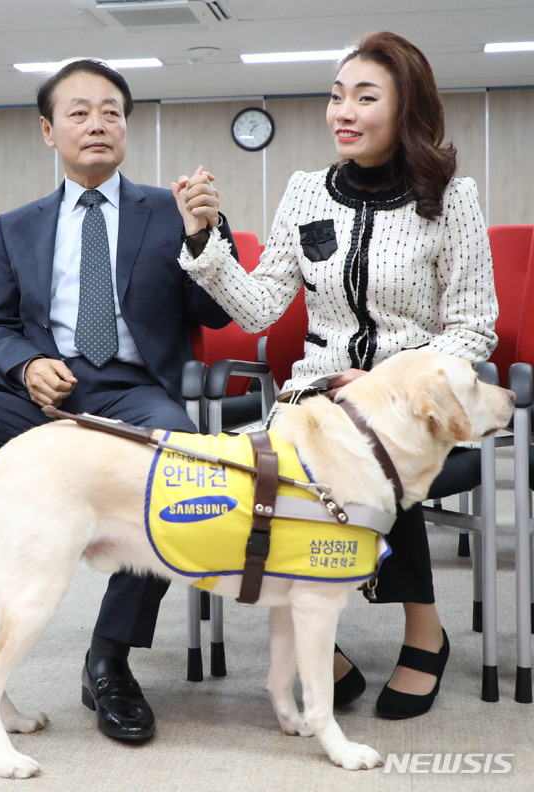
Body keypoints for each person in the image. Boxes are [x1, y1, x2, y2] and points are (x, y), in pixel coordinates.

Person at [0, 58, 233, 742]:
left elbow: (218, 313)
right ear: (49, 131)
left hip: (136, 393)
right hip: (45, 396)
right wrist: (28, 367)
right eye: (78, 112)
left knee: (180, 466)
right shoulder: (17, 225)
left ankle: (108, 656)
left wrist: (204, 236)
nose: (97, 123)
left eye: (111, 110)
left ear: (127, 127)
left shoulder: (171, 211)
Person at [172, 31, 498, 719]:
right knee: (253, 477)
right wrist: (207, 240)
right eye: (335, 95)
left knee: (377, 449)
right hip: (313, 395)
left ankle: (424, 631)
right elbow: (259, 309)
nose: (342, 111)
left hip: (415, 400)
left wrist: (389, 384)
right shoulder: (304, 193)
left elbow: (472, 327)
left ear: (406, 106)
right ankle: (322, 648)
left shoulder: (451, 197)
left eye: (364, 96)